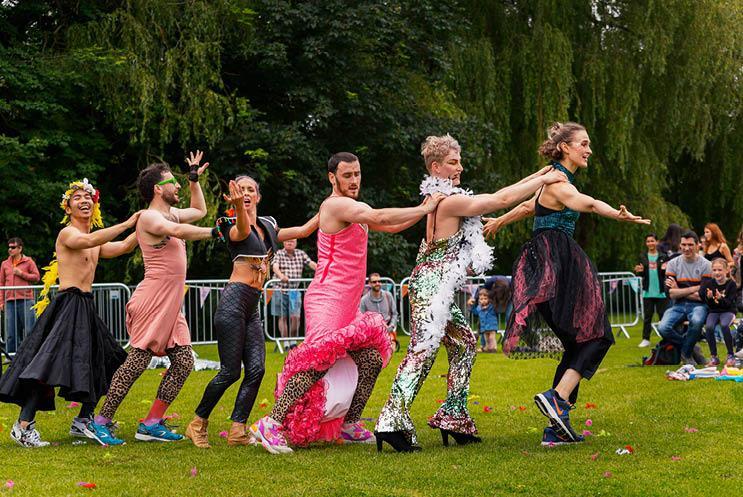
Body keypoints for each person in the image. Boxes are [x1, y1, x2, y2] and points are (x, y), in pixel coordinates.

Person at [375, 134, 567, 452]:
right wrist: (543, 178)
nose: (460, 166)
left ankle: (454, 415)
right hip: (430, 288)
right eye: (453, 162)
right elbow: (498, 200)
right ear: (435, 167)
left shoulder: (438, 198)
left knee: (464, 344)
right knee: (421, 353)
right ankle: (391, 420)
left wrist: (542, 174)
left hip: (438, 287)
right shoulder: (448, 201)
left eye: (460, 160)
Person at [249, 152, 444, 454]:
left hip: (346, 302)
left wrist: (423, 212)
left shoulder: (349, 208)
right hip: (327, 298)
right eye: (347, 175)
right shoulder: (336, 204)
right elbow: (379, 217)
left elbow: (387, 226)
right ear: (332, 178)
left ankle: (350, 424)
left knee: (370, 358)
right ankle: (271, 423)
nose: (354, 180)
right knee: (317, 362)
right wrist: (425, 206)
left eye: (357, 174)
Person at [483, 121, 650, 446]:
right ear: (566, 147)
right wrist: (617, 214)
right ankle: (557, 399)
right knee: (597, 336)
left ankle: (555, 429)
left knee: (577, 342)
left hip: (543, 264)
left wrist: (502, 220)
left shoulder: (552, 180)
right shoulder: (559, 180)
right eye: (583, 143)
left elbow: (530, 206)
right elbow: (583, 202)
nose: (588, 149)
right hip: (557, 262)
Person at [86, 153, 220, 446]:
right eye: (174, 182)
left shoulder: (171, 212)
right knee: (136, 362)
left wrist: (194, 178)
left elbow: (198, 209)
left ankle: (151, 423)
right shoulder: (149, 217)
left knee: (184, 361)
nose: (178, 187)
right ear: (158, 189)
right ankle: (100, 421)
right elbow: (178, 230)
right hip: (152, 298)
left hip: (171, 302)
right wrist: (214, 232)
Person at [0, 179, 138, 447]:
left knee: (105, 360)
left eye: (88, 197)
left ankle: (84, 420)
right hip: (67, 305)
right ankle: (23, 426)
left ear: (94, 205)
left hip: (85, 304)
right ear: (68, 206)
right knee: (49, 366)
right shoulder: (68, 234)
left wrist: (148, 226)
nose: (84, 200)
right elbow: (90, 238)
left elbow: (123, 247)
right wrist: (127, 223)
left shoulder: (95, 241)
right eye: (77, 197)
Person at [185, 176, 319, 448]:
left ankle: (238, 430)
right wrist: (238, 210)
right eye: (241, 189)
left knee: (257, 369)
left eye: (250, 190)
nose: (245, 193)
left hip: (252, 308)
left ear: (258, 196)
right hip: (233, 302)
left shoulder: (268, 224)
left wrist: (329, 207)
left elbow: (303, 231)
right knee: (230, 372)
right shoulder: (231, 225)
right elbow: (242, 233)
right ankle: (197, 423)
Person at [657, 231, 712, 365]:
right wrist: (695, 287)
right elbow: (669, 293)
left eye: (690, 245)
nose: (686, 248)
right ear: (680, 245)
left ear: (698, 245)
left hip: (699, 305)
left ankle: (686, 354)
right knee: (663, 328)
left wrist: (678, 290)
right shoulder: (672, 264)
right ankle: (691, 347)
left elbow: (702, 296)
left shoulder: (706, 265)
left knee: (697, 321)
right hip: (678, 305)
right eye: (683, 244)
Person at [271, 239, 317, 342]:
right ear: (283, 243)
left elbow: (312, 264)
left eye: (292, 241)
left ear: (296, 243)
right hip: (280, 289)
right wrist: (281, 275)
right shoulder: (279, 253)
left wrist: (322, 271)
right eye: (287, 241)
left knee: (295, 317)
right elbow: (275, 267)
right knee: (282, 317)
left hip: (294, 291)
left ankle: (293, 340)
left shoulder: (301, 254)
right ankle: (286, 342)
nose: (289, 243)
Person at [0, 238, 40, 353]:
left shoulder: (29, 261)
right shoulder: (4, 264)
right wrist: (1, 302)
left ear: (20, 248)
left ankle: (30, 357)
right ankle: (11, 360)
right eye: (9, 247)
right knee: (11, 334)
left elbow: (37, 277)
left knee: (29, 331)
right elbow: (1, 283)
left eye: (13, 247)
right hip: (10, 302)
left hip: (26, 300)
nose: (10, 249)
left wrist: (21, 274)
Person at [699, 258, 737, 367]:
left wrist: (720, 298)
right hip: (714, 311)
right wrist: (709, 298)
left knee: (725, 325)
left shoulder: (731, 284)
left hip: (728, 310)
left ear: (726, 270)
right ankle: (714, 357)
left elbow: (729, 303)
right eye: (714, 270)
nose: (717, 273)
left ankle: (730, 355)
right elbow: (709, 304)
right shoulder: (709, 283)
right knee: (709, 327)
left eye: (720, 270)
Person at [634, 233, 669, 348]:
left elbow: (667, 273)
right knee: (647, 317)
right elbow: (642, 272)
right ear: (646, 243)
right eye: (648, 241)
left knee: (663, 316)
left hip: (661, 291)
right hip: (648, 291)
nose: (650, 243)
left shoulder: (663, 256)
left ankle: (666, 338)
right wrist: (638, 271)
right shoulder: (643, 256)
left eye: (652, 241)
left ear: (657, 242)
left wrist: (665, 269)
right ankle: (646, 339)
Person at [359, 273, 398, 338]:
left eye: (379, 281)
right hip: (372, 333)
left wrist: (391, 326)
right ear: (369, 283)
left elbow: (395, 314)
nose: (377, 283)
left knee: (391, 347)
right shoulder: (364, 300)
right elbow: (361, 319)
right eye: (374, 282)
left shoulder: (388, 295)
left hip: (388, 330)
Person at [469, 288, 499, 352]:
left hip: (492, 326)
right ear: (479, 300)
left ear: (488, 299)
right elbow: (475, 312)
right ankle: (487, 348)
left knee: (491, 338)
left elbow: (495, 304)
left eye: (485, 299)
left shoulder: (491, 307)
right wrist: (471, 305)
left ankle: (494, 348)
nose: (483, 300)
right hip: (484, 326)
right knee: (487, 339)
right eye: (481, 299)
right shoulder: (478, 308)